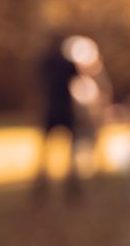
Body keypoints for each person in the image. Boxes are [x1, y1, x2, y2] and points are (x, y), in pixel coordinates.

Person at [33, 35, 80, 203]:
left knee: (46, 151)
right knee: (70, 152)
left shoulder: (46, 62)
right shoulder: (67, 63)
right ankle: (71, 187)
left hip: (52, 110)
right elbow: (80, 77)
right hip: (64, 111)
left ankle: (41, 187)